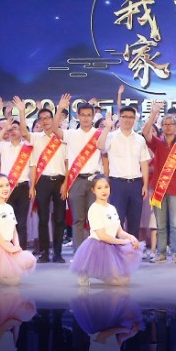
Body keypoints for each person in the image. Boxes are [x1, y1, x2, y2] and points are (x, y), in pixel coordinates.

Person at [143, 101, 176, 263]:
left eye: (171, 124)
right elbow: (145, 132)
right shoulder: (157, 143)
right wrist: (154, 113)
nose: (168, 127)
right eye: (165, 124)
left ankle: (175, 254)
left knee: (175, 224)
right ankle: (160, 254)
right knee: (160, 225)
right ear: (161, 126)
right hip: (158, 189)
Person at [70, 175, 142, 287]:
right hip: (98, 247)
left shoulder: (112, 208)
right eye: (99, 188)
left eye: (106, 187)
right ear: (93, 190)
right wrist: (122, 242)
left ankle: (99, 272)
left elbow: (119, 231)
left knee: (126, 279)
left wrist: (130, 237)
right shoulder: (94, 209)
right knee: (119, 282)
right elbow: (102, 236)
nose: (103, 190)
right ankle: (90, 271)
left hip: (112, 245)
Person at [64, 99, 112, 250]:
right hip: (76, 180)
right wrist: (60, 108)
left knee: (95, 219)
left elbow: (102, 148)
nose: (85, 118)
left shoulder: (99, 134)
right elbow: (54, 129)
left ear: (93, 116)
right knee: (78, 219)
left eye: (89, 115)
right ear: (77, 116)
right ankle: (79, 253)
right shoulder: (71, 133)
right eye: (83, 115)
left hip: (95, 181)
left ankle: (94, 252)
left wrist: (107, 128)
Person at [31, 95, 71, 263]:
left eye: (48, 118)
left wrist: (65, 183)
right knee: (43, 219)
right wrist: (33, 186)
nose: (45, 121)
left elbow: (68, 163)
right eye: (42, 119)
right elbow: (33, 164)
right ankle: (44, 253)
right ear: (39, 122)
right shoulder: (35, 138)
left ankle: (58, 253)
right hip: (43, 182)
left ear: (53, 119)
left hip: (60, 181)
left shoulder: (63, 137)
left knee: (60, 219)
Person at [105, 100, 154, 238]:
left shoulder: (140, 139)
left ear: (135, 119)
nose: (127, 120)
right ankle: (116, 248)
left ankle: (132, 249)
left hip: (136, 184)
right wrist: (107, 128)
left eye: (131, 117)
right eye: (124, 117)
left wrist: (145, 184)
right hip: (117, 184)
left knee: (134, 221)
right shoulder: (111, 137)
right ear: (119, 118)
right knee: (117, 220)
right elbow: (100, 147)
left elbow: (144, 163)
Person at [0, 98, 36, 250]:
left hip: (23, 187)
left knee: (22, 222)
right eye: (11, 129)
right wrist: (5, 128)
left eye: (15, 128)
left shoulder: (28, 148)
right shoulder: (4, 146)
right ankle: (8, 249)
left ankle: (21, 250)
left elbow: (33, 168)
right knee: (7, 221)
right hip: (7, 188)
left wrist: (32, 187)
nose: (13, 131)